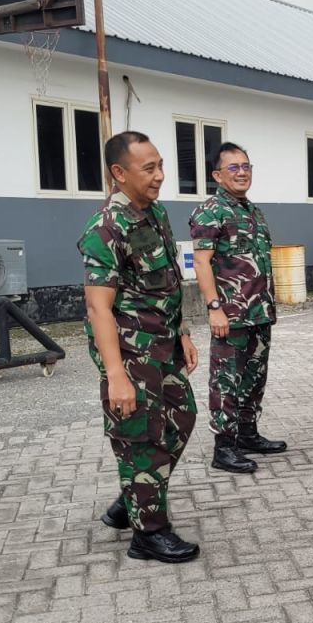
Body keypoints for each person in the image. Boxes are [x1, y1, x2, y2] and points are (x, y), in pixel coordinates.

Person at [80, 131, 200, 563]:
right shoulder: (106, 228)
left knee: (182, 418)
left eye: (160, 165)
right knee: (141, 438)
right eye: (148, 168)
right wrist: (115, 376)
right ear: (119, 173)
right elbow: (98, 309)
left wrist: (183, 331)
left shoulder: (156, 214)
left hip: (164, 345)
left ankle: (133, 495)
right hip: (131, 355)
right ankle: (148, 533)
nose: (160, 176)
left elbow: (169, 281)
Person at [189, 143, 286, 474]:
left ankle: (247, 434)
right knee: (226, 381)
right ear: (217, 174)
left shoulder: (253, 211)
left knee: (254, 379)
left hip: (259, 313)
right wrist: (214, 308)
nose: (242, 172)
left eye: (246, 166)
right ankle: (224, 448)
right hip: (230, 316)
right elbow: (201, 263)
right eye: (233, 167)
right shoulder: (211, 211)